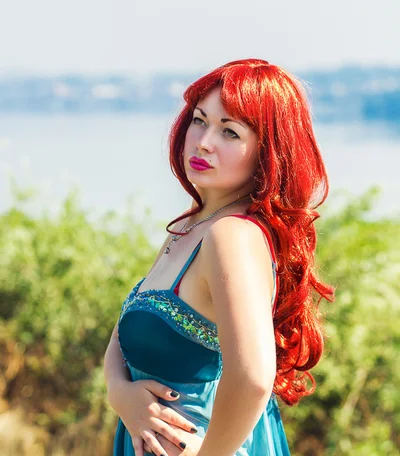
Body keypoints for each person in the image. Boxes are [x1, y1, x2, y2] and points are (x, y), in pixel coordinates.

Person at [104, 58, 334, 456]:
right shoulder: (191, 227)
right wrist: (120, 393)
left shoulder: (232, 236)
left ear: (269, 151)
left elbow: (254, 378)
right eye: (199, 120)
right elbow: (122, 334)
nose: (204, 141)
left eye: (229, 131)